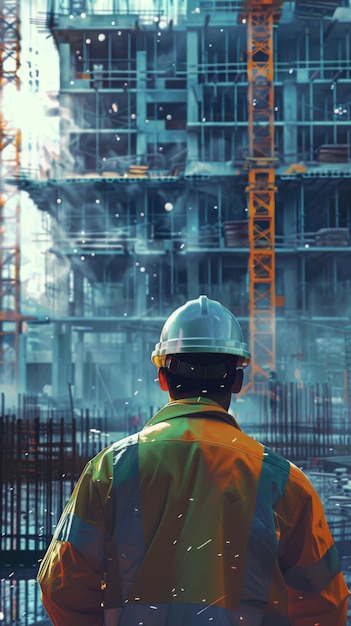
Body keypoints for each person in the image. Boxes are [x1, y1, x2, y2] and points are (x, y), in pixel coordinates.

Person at [37, 295, 350, 625]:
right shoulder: (285, 482)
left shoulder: (110, 470)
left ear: (161, 378)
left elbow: (61, 587)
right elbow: (324, 606)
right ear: (238, 380)